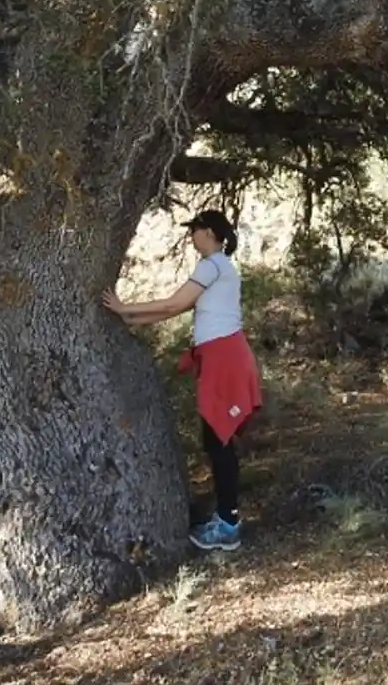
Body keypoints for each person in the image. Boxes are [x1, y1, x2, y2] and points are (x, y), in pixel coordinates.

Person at [102, 209, 262, 552]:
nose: (191, 238)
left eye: (194, 231)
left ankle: (228, 526)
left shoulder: (212, 265)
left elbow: (175, 303)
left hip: (224, 359)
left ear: (208, 232)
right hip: (225, 356)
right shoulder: (222, 268)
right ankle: (225, 518)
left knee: (219, 442)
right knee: (216, 440)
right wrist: (130, 317)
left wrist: (124, 309)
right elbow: (177, 309)